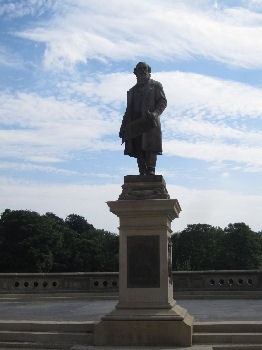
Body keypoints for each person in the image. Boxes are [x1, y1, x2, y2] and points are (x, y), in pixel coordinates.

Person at [119, 62, 167, 175]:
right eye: (139, 69)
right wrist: (123, 126)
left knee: (150, 147)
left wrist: (155, 114)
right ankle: (142, 170)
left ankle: (151, 169)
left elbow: (162, 102)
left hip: (150, 121)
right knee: (138, 147)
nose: (142, 71)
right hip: (135, 122)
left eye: (144, 68)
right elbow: (128, 110)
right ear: (135, 72)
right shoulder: (131, 91)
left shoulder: (155, 85)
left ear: (149, 71)